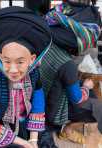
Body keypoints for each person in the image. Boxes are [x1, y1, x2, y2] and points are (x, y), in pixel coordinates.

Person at [0, 6, 51, 148]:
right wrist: (25, 144)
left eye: (20, 62)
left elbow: (37, 108)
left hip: (23, 126)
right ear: (0, 57)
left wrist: (33, 140)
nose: (13, 70)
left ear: (32, 59)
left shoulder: (34, 74)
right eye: (7, 61)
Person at [39, 0, 102, 145]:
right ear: (79, 42)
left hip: (41, 100)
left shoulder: (45, 46)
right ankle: (65, 129)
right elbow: (76, 98)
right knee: (96, 108)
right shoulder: (68, 64)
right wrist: (87, 86)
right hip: (52, 113)